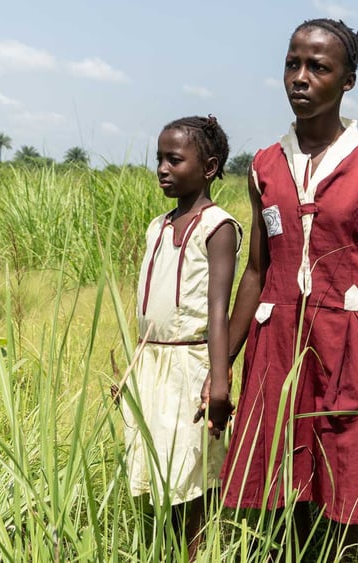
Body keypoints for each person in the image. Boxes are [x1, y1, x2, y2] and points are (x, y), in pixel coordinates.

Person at [221, 17, 358, 559]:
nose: (300, 78)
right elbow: (257, 271)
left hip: (347, 341)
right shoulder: (264, 166)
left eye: (319, 67)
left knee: (346, 465)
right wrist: (220, 364)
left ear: (347, 81)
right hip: (278, 340)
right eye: (292, 64)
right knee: (282, 468)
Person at [123, 115, 241, 560]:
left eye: (175, 159)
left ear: (208, 167)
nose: (163, 169)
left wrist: (221, 377)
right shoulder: (158, 225)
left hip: (190, 367)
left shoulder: (219, 227)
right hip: (150, 364)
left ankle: (197, 553)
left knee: (193, 476)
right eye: (159, 159)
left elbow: (217, 309)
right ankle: (165, 551)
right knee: (157, 470)